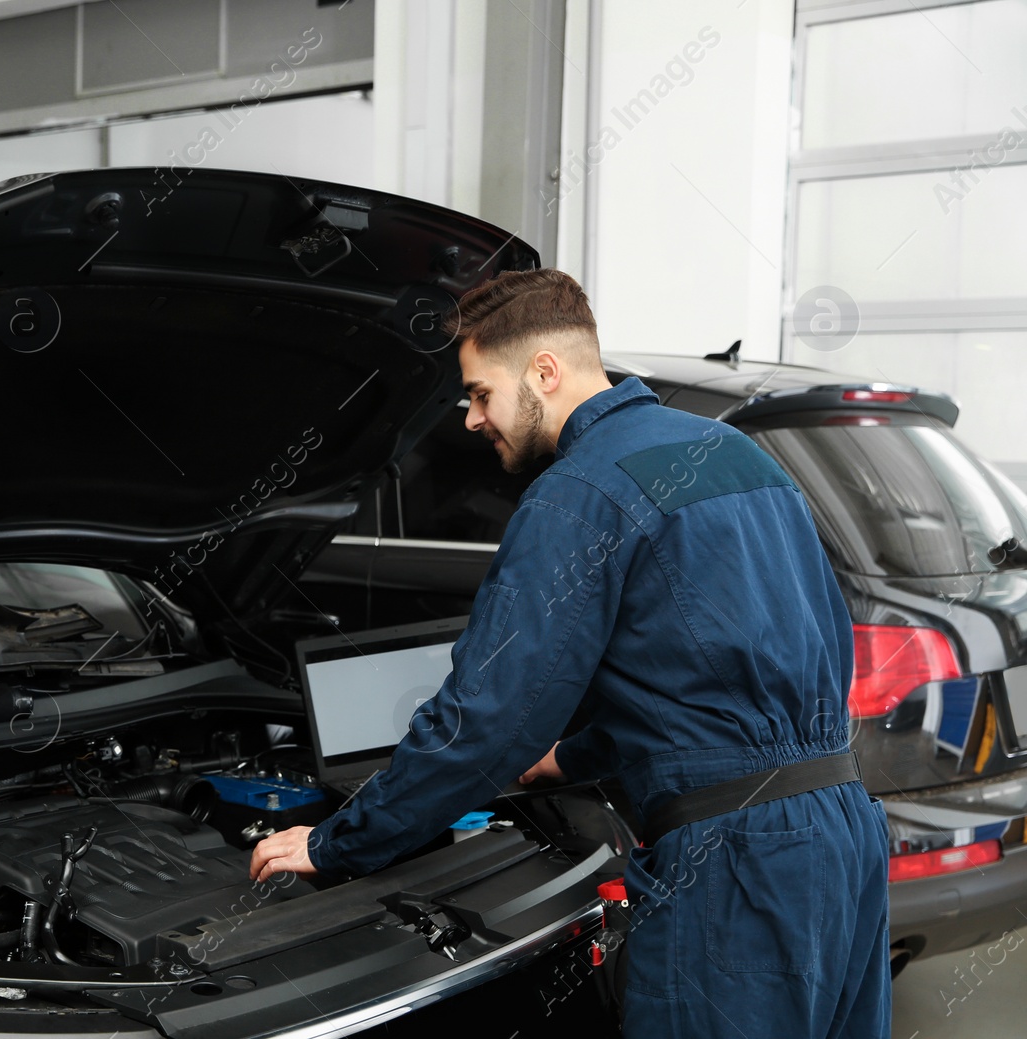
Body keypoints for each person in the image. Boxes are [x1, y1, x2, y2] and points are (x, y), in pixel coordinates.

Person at [248, 268, 891, 1038]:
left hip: (735, 868)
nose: (472, 419)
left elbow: (481, 721)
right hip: (847, 836)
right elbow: (719, 683)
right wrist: (575, 756)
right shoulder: (737, 454)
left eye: (480, 392)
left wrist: (336, 843)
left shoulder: (577, 494)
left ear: (544, 372)